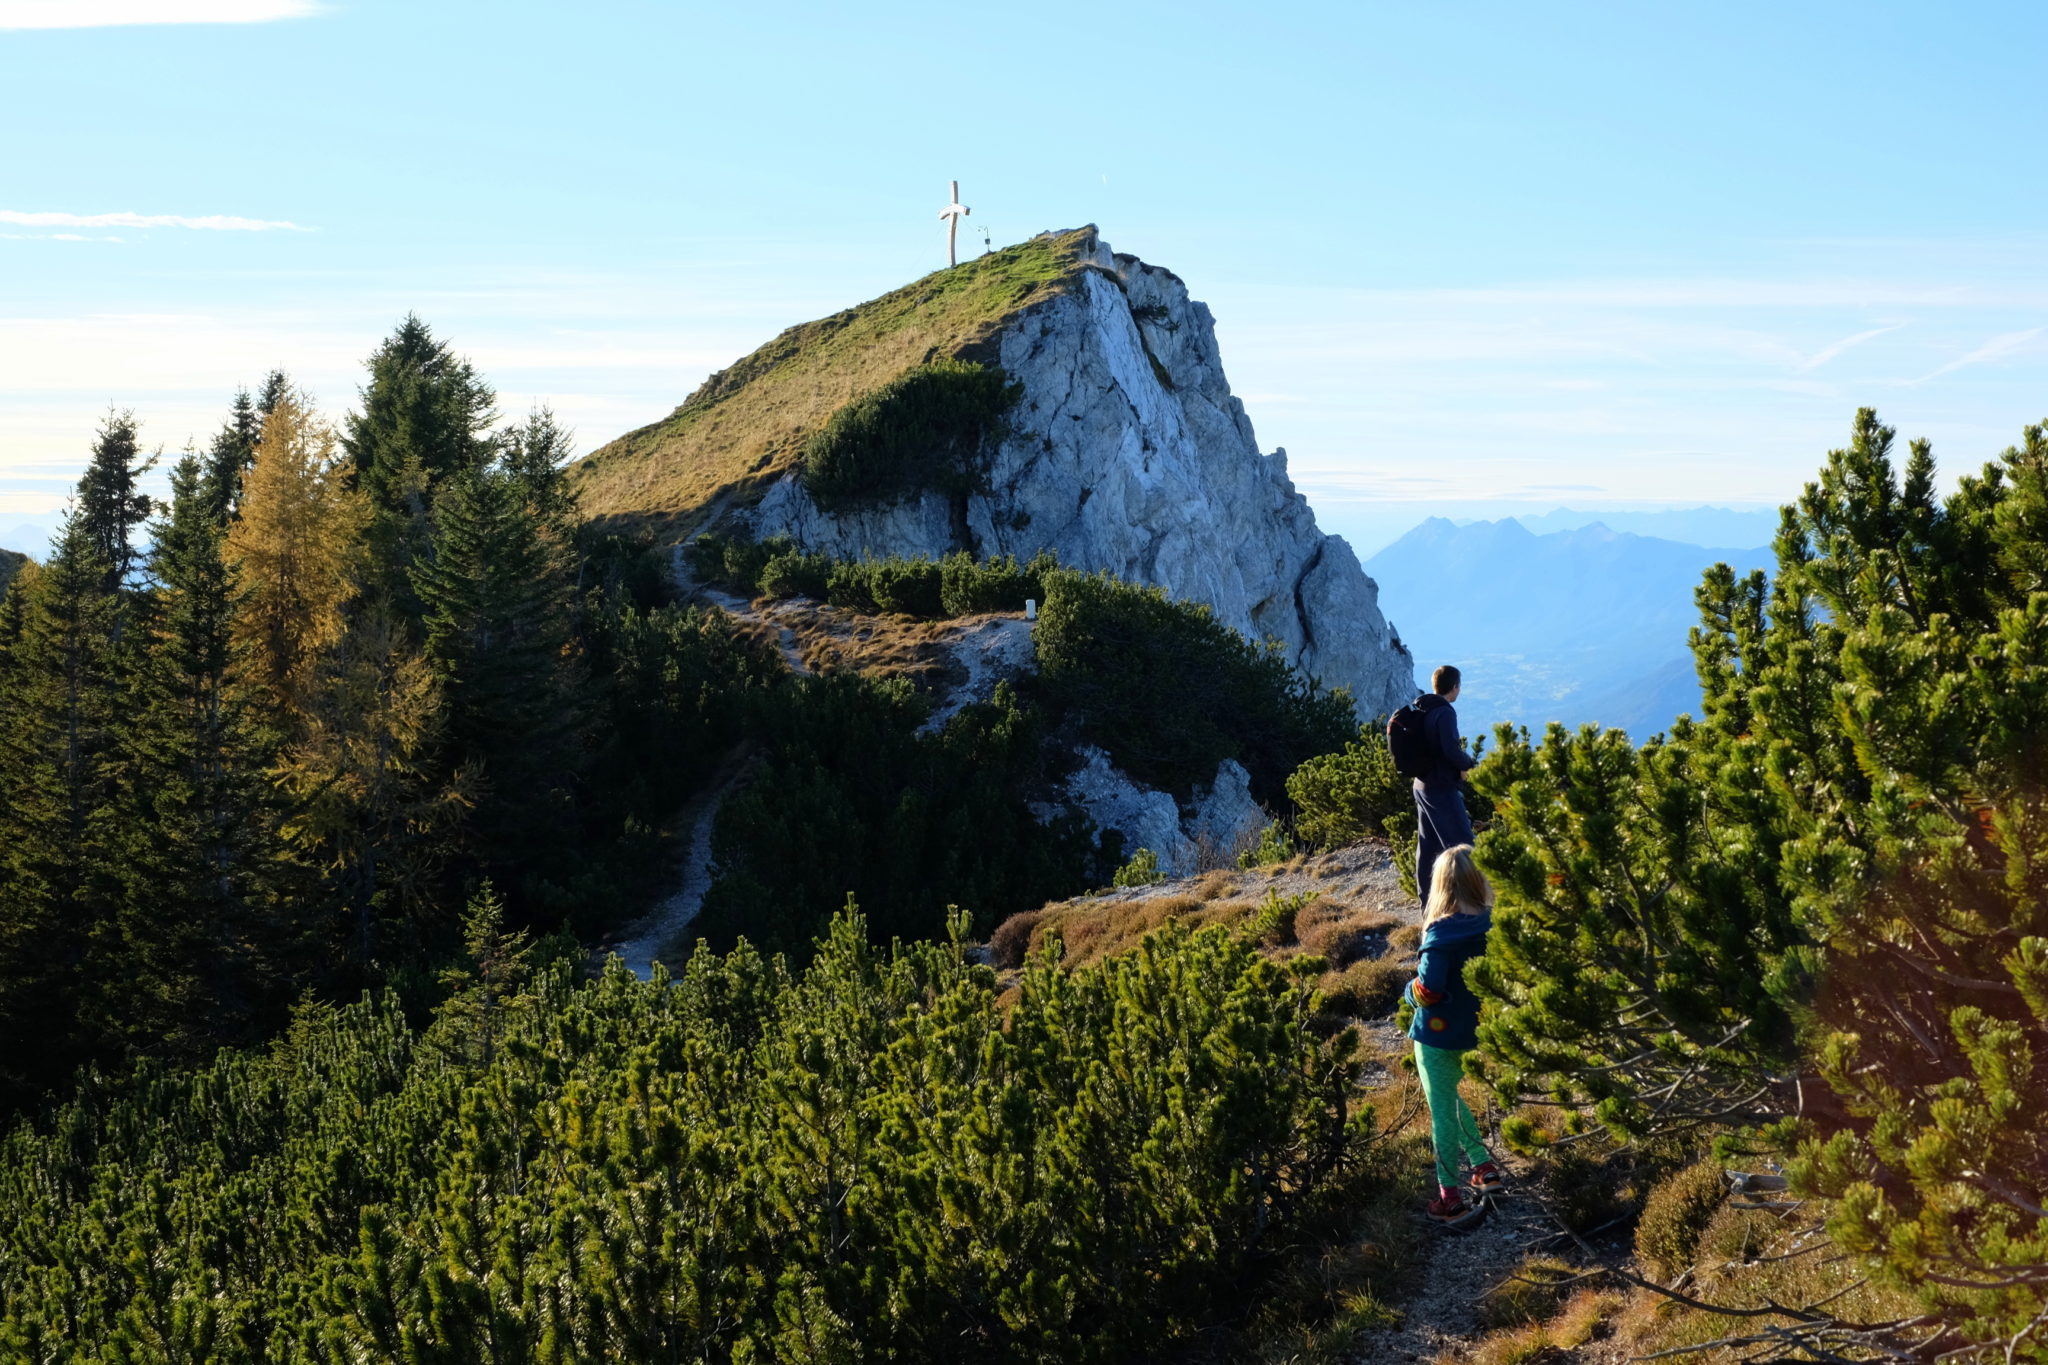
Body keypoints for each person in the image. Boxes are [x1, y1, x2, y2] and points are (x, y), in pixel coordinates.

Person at [1405, 843, 1503, 1227]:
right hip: (1473, 1032)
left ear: (1440, 885)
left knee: (1441, 1112)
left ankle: (1450, 1198)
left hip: (1436, 1038)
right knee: (1450, 1098)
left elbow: (1428, 990)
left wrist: (1407, 994)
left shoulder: (1441, 934)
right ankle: (1484, 1168)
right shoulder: (1492, 925)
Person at [1411, 664, 1477, 898]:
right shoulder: (1445, 712)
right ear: (1455, 687)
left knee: (1428, 848)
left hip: (1421, 785)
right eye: (1459, 687)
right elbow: (1450, 749)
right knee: (1463, 845)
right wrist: (1468, 764)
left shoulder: (1423, 707)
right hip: (1440, 787)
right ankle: (1472, 906)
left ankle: (1428, 905)